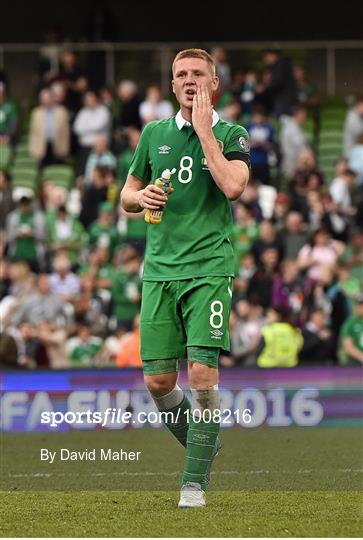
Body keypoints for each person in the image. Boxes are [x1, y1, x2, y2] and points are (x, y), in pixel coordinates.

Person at [120, 48, 250, 508]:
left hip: (209, 268)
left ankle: (193, 485)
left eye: (199, 74)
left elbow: (233, 186)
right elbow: (126, 195)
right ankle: (204, 441)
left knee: (201, 374)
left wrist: (203, 131)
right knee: (157, 382)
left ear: (213, 84)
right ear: (172, 85)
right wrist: (142, 197)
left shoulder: (232, 132)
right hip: (159, 271)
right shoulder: (154, 133)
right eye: (181, 75)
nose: (190, 80)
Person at [29, 87, 70, 167]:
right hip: (41, 147)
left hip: (57, 147)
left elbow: (66, 133)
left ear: (52, 98)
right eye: (43, 99)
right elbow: (33, 133)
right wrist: (33, 149)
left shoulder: (62, 111)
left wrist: (65, 149)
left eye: (47, 98)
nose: (45, 101)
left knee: (57, 170)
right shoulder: (36, 113)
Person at [339, 294, 363, 365]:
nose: (361, 307)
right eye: (360, 305)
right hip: (356, 363)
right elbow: (348, 346)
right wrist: (362, 357)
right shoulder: (350, 323)